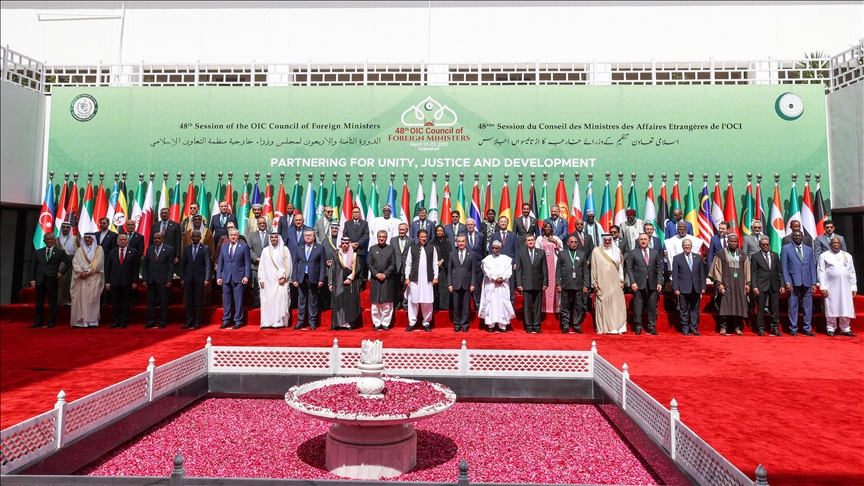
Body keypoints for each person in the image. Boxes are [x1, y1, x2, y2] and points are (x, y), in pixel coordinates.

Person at [709, 233, 750, 336]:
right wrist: (719, 283)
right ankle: (723, 327)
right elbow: (716, 269)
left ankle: (737, 327)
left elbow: (747, 270)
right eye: (731, 241)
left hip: (739, 285)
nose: (733, 243)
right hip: (726, 284)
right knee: (725, 305)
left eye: (735, 241)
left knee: (738, 305)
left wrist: (748, 284)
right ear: (727, 242)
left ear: (738, 242)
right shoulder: (721, 254)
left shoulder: (742, 254)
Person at [30, 233, 72, 329]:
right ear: (44, 241)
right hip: (39, 280)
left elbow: (68, 262)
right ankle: (38, 321)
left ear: (54, 240)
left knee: (52, 302)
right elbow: (33, 267)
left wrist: (60, 273)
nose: (49, 241)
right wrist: (32, 279)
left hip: (52, 279)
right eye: (47, 239)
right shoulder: (38, 252)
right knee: (39, 302)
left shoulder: (59, 252)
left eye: (51, 239)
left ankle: (51, 321)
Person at [818, 236, 857, 337]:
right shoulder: (824, 255)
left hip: (846, 286)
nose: (836, 244)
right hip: (831, 286)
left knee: (845, 305)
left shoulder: (847, 256)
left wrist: (853, 286)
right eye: (834, 243)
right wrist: (823, 287)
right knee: (831, 306)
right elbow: (821, 271)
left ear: (840, 244)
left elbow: (852, 271)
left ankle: (845, 328)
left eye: (837, 243)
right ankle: (831, 328)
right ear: (830, 245)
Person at [781, 230, 818, 337]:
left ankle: (807, 328)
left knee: (808, 306)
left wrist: (814, 283)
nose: (797, 237)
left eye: (799, 236)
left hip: (807, 281)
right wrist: (787, 281)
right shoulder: (786, 248)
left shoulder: (809, 249)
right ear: (792, 237)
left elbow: (812, 267)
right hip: (793, 281)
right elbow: (784, 267)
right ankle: (793, 328)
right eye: (795, 236)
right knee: (793, 306)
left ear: (803, 237)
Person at [626, 233, 664, 335]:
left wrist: (659, 282)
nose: (643, 241)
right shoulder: (633, 252)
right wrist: (632, 282)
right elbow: (629, 268)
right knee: (638, 306)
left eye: (645, 239)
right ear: (638, 241)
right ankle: (638, 326)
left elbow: (658, 269)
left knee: (652, 306)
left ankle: (651, 327)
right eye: (641, 239)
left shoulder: (655, 253)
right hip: (638, 284)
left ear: (649, 241)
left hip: (652, 283)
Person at [592, 234, 627, 334]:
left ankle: (617, 328)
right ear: (602, 240)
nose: (607, 242)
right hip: (601, 282)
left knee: (616, 304)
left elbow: (620, 267)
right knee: (603, 303)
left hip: (615, 281)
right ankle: (603, 328)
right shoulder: (596, 251)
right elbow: (593, 267)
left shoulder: (617, 251)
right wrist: (594, 282)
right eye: (605, 240)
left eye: (609, 240)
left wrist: (621, 280)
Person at [404, 229, 438, 332]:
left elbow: (435, 263)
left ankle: (426, 322)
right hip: (414, 279)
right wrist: (407, 277)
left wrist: (435, 276)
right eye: (421, 237)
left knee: (427, 301)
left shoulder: (432, 248)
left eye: (425, 237)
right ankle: (412, 323)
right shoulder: (412, 248)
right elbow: (408, 263)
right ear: (418, 237)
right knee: (413, 301)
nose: (423, 238)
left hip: (428, 280)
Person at [217, 229, 251, 329]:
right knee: (226, 301)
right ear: (228, 236)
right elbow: (220, 263)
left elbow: (247, 262)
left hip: (239, 277)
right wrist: (218, 277)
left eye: (235, 235)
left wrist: (246, 276)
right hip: (226, 277)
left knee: (238, 301)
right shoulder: (224, 247)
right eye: (231, 235)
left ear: (238, 236)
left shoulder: (244, 246)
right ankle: (226, 320)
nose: (233, 237)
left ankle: (238, 320)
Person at [105, 233, 141, 329]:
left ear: (127, 241)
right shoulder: (112, 252)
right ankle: (116, 321)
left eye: (125, 239)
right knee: (115, 303)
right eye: (121, 240)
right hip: (114, 281)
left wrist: (135, 282)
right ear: (117, 242)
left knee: (126, 303)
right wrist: (107, 282)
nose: (123, 241)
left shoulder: (133, 252)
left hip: (127, 282)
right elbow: (108, 268)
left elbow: (136, 268)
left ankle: (123, 321)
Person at [292, 229, 326, 331]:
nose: (308, 237)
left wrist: (321, 279)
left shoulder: (319, 248)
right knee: (301, 300)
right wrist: (294, 278)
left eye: (310, 235)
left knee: (313, 300)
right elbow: (295, 264)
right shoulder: (299, 248)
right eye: (306, 235)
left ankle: (312, 321)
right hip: (301, 277)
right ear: (303, 237)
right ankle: (300, 321)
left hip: (314, 277)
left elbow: (323, 265)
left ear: (314, 237)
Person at [750, 236, 784, 337]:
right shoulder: (755, 256)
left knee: (775, 308)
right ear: (760, 245)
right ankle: (760, 328)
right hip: (761, 285)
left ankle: (775, 327)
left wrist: (782, 285)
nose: (765, 246)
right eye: (763, 245)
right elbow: (753, 273)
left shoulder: (775, 255)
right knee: (761, 308)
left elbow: (779, 271)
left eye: (767, 245)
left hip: (774, 285)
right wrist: (754, 287)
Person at [479, 240, 515, 332]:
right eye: (493, 248)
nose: (494, 250)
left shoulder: (506, 259)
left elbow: (508, 271)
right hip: (491, 285)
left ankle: (502, 325)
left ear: (500, 249)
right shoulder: (487, 259)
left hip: (502, 285)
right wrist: (495, 278)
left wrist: (502, 278)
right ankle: (491, 325)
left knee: (502, 304)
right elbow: (486, 271)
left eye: (496, 248)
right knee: (490, 304)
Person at [258, 233, 292, 330]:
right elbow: (261, 266)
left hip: (281, 281)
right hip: (268, 282)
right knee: (267, 301)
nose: (274, 239)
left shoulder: (285, 250)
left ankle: (279, 322)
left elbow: (289, 265)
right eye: (272, 237)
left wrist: (285, 277)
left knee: (280, 301)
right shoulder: (265, 251)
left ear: (279, 238)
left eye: (276, 237)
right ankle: (267, 322)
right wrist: (261, 279)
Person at [70, 233, 104, 328]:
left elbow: (99, 262)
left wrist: (88, 271)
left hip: (93, 277)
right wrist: (80, 272)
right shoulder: (79, 250)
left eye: (89, 237)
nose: (87, 239)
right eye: (86, 237)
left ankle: (92, 321)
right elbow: (75, 262)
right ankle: (81, 322)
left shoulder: (99, 249)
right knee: (81, 300)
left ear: (93, 239)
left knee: (92, 300)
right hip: (81, 278)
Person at [672, 239, 706, 335]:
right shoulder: (677, 258)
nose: (687, 246)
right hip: (683, 288)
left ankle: (694, 328)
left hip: (696, 287)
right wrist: (676, 288)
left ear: (691, 246)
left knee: (695, 309)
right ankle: (685, 328)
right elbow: (675, 275)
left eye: (689, 245)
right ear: (682, 246)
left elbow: (702, 273)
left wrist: (703, 287)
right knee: (684, 309)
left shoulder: (698, 257)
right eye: (685, 245)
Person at [556, 235, 589, 334]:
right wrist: (558, 284)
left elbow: (585, 271)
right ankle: (565, 325)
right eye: (571, 242)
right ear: (568, 243)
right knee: (565, 306)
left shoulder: (582, 254)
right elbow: (558, 270)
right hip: (565, 284)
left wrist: (586, 285)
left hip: (578, 284)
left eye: (575, 242)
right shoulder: (562, 254)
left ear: (577, 244)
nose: (573, 244)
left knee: (578, 305)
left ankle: (576, 325)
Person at [516, 235, 548, 334]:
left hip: (538, 282)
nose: (530, 242)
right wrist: (519, 283)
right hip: (526, 282)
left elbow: (544, 269)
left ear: (535, 241)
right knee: (527, 306)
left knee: (538, 306)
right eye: (528, 240)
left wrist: (545, 282)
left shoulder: (541, 252)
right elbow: (518, 269)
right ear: (525, 242)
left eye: (532, 240)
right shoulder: (521, 252)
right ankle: (529, 325)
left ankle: (537, 325)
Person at [142, 233, 175, 329]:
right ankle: (150, 321)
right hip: (151, 279)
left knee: (163, 302)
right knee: (150, 302)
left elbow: (171, 266)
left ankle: (162, 321)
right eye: (155, 238)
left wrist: (169, 279)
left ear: (163, 239)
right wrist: (145, 279)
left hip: (163, 280)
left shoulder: (169, 249)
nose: (157, 240)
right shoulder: (149, 249)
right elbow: (146, 266)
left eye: (159, 238)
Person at [180, 230, 211, 329]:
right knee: (188, 301)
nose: (196, 238)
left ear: (200, 238)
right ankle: (188, 321)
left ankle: (198, 321)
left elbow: (208, 264)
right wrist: (182, 278)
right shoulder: (187, 248)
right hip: (188, 278)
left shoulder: (205, 248)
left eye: (197, 236)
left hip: (200, 278)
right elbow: (183, 264)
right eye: (194, 236)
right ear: (191, 237)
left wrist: (207, 278)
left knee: (198, 301)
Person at [329, 237, 362, 330]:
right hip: (338, 283)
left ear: (349, 244)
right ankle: (339, 324)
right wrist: (330, 283)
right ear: (341, 245)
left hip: (350, 282)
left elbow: (358, 269)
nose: (345, 245)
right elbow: (332, 269)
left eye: (347, 244)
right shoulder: (336, 256)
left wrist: (349, 278)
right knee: (339, 303)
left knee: (349, 303)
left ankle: (348, 324)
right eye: (343, 243)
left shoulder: (354, 255)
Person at [182, 213, 214, 305]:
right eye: (195, 220)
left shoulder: (208, 232)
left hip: (203, 268)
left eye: (199, 220)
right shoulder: (188, 233)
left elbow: (212, 248)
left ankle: (203, 302)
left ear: (202, 221)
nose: (197, 221)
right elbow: (184, 249)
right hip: (190, 269)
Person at [368, 230, 396, 331]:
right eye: (380, 237)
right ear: (377, 237)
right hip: (375, 279)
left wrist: (385, 274)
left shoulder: (391, 249)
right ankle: (377, 323)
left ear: (386, 238)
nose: (381, 239)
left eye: (383, 237)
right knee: (375, 302)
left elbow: (393, 263)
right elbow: (369, 264)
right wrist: (376, 274)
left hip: (387, 279)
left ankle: (385, 322)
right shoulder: (372, 249)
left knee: (387, 302)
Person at [448, 234, 476, 333]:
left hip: (466, 282)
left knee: (465, 306)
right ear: (456, 242)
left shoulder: (471, 254)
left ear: (466, 242)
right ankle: (456, 324)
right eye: (459, 241)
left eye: (463, 241)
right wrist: (449, 284)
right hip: (455, 283)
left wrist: (473, 283)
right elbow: (449, 270)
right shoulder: (452, 254)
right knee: (456, 306)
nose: (461, 243)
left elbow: (473, 270)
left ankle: (465, 325)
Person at [488, 216, 518, 305]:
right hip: (497, 263)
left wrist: (516, 262)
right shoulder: (494, 235)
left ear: (508, 223)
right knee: (498, 285)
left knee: (510, 284)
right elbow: (490, 250)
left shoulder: (513, 235)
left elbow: (517, 250)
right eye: (501, 221)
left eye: (505, 221)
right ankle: (498, 304)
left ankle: (511, 303)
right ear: (498, 223)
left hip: (510, 264)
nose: (503, 223)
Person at [537, 222, 563, 314]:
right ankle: (543, 308)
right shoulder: (539, 239)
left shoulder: (556, 238)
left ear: (551, 229)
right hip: (543, 265)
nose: (548, 228)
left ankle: (555, 308)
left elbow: (561, 250)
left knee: (554, 285)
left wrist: (554, 241)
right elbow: (537, 252)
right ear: (543, 229)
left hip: (554, 265)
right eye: (546, 227)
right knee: (544, 285)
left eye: (549, 227)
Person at [343, 207, 370, 287]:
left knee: (360, 268)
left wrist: (358, 243)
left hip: (360, 250)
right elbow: (345, 234)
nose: (355, 214)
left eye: (357, 212)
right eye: (354, 212)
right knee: (349, 268)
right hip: (349, 250)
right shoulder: (347, 223)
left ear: (360, 214)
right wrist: (350, 244)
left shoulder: (364, 223)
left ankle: (359, 287)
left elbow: (366, 234)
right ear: (351, 214)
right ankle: (349, 286)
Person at [390, 223, 414, 311]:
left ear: (407, 230)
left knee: (406, 286)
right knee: (395, 286)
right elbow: (391, 253)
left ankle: (405, 304)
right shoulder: (393, 240)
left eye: (403, 230)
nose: (401, 231)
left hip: (406, 266)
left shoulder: (411, 241)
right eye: (400, 229)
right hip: (396, 266)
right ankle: (396, 304)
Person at [247, 217, 269, 309]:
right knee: (256, 285)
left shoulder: (271, 235)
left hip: (268, 265)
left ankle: (266, 303)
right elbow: (249, 248)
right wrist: (256, 258)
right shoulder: (252, 235)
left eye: (264, 223)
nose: (262, 225)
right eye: (260, 223)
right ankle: (256, 303)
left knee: (267, 285)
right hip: (256, 264)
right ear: (257, 224)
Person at [55, 221, 79, 306]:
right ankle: (60, 301)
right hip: (61, 263)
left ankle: (70, 300)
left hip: (73, 262)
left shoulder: (75, 239)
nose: (65, 229)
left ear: (70, 229)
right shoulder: (57, 240)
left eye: (67, 227)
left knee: (71, 282)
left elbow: (80, 251)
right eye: (64, 227)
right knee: (62, 282)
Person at [96, 217, 118, 306]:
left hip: (107, 261)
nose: (102, 225)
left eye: (104, 223)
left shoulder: (113, 235)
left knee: (106, 280)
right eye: (101, 223)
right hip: (96, 262)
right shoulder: (96, 234)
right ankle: (97, 299)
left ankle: (105, 299)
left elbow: (114, 250)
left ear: (108, 224)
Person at [464, 218, 486, 308]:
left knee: (477, 285)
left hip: (477, 264)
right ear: (465, 226)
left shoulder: (480, 236)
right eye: (468, 224)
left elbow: (483, 250)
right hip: (465, 265)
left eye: (471, 224)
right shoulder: (462, 236)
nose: (470, 226)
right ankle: (466, 305)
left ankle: (478, 304)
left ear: (474, 225)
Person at [321, 223, 341, 311]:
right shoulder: (325, 240)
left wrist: (335, 262)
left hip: (340, 269)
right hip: (327, 269)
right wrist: (326, 261)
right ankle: (327, 305)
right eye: (332, 228)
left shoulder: (343, 240)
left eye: (336, 228)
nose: (334, 230)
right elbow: (321, 254)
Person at [432, 225, 451, 311]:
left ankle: (444, 305)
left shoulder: (447, 242)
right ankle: (436, 305)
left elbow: (449, 254)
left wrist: (442, 260)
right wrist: (436, 262)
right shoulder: (432, 242)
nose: (439, 232)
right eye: (438, 231)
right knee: (436, 288)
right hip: (435, 268)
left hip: (444, 268)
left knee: (444, 287)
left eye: (441, 231)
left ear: (443, 232)